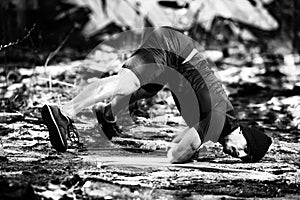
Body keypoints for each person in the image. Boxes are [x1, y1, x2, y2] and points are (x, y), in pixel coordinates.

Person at [41, 27, 272, 163]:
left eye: (242, 158)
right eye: (246, 149)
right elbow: (186, 147)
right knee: (125, 84)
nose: (238, 155)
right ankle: (64, 111)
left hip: (175, 67)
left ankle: (106, 113)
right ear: (243, 132)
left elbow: (182, 140)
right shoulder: (220, 118)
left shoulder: (218, 126)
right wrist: (171, 158)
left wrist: (182, 149)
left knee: (144, 90)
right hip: (171, 49)